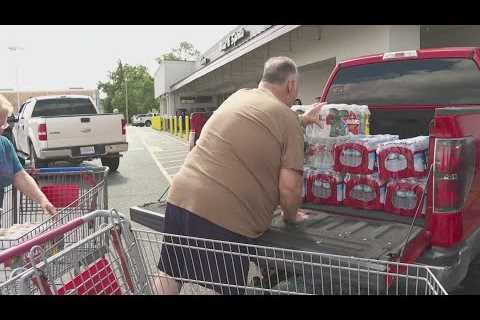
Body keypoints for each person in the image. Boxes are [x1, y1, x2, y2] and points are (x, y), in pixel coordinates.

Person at [154, 56, 324, 295]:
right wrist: (292, 216)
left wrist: (303, 120)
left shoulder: (239, 97)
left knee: (171, 271)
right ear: (291, 86)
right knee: (229, 287)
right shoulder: (286, 119)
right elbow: (289, 188)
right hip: (226, 213)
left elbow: (264, 121)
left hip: (181, 195)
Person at [0, 95, 57, 215]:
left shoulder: (4, 145)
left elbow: (20, 176)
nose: (2, 130)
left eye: (3, 125)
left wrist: (43, 200)